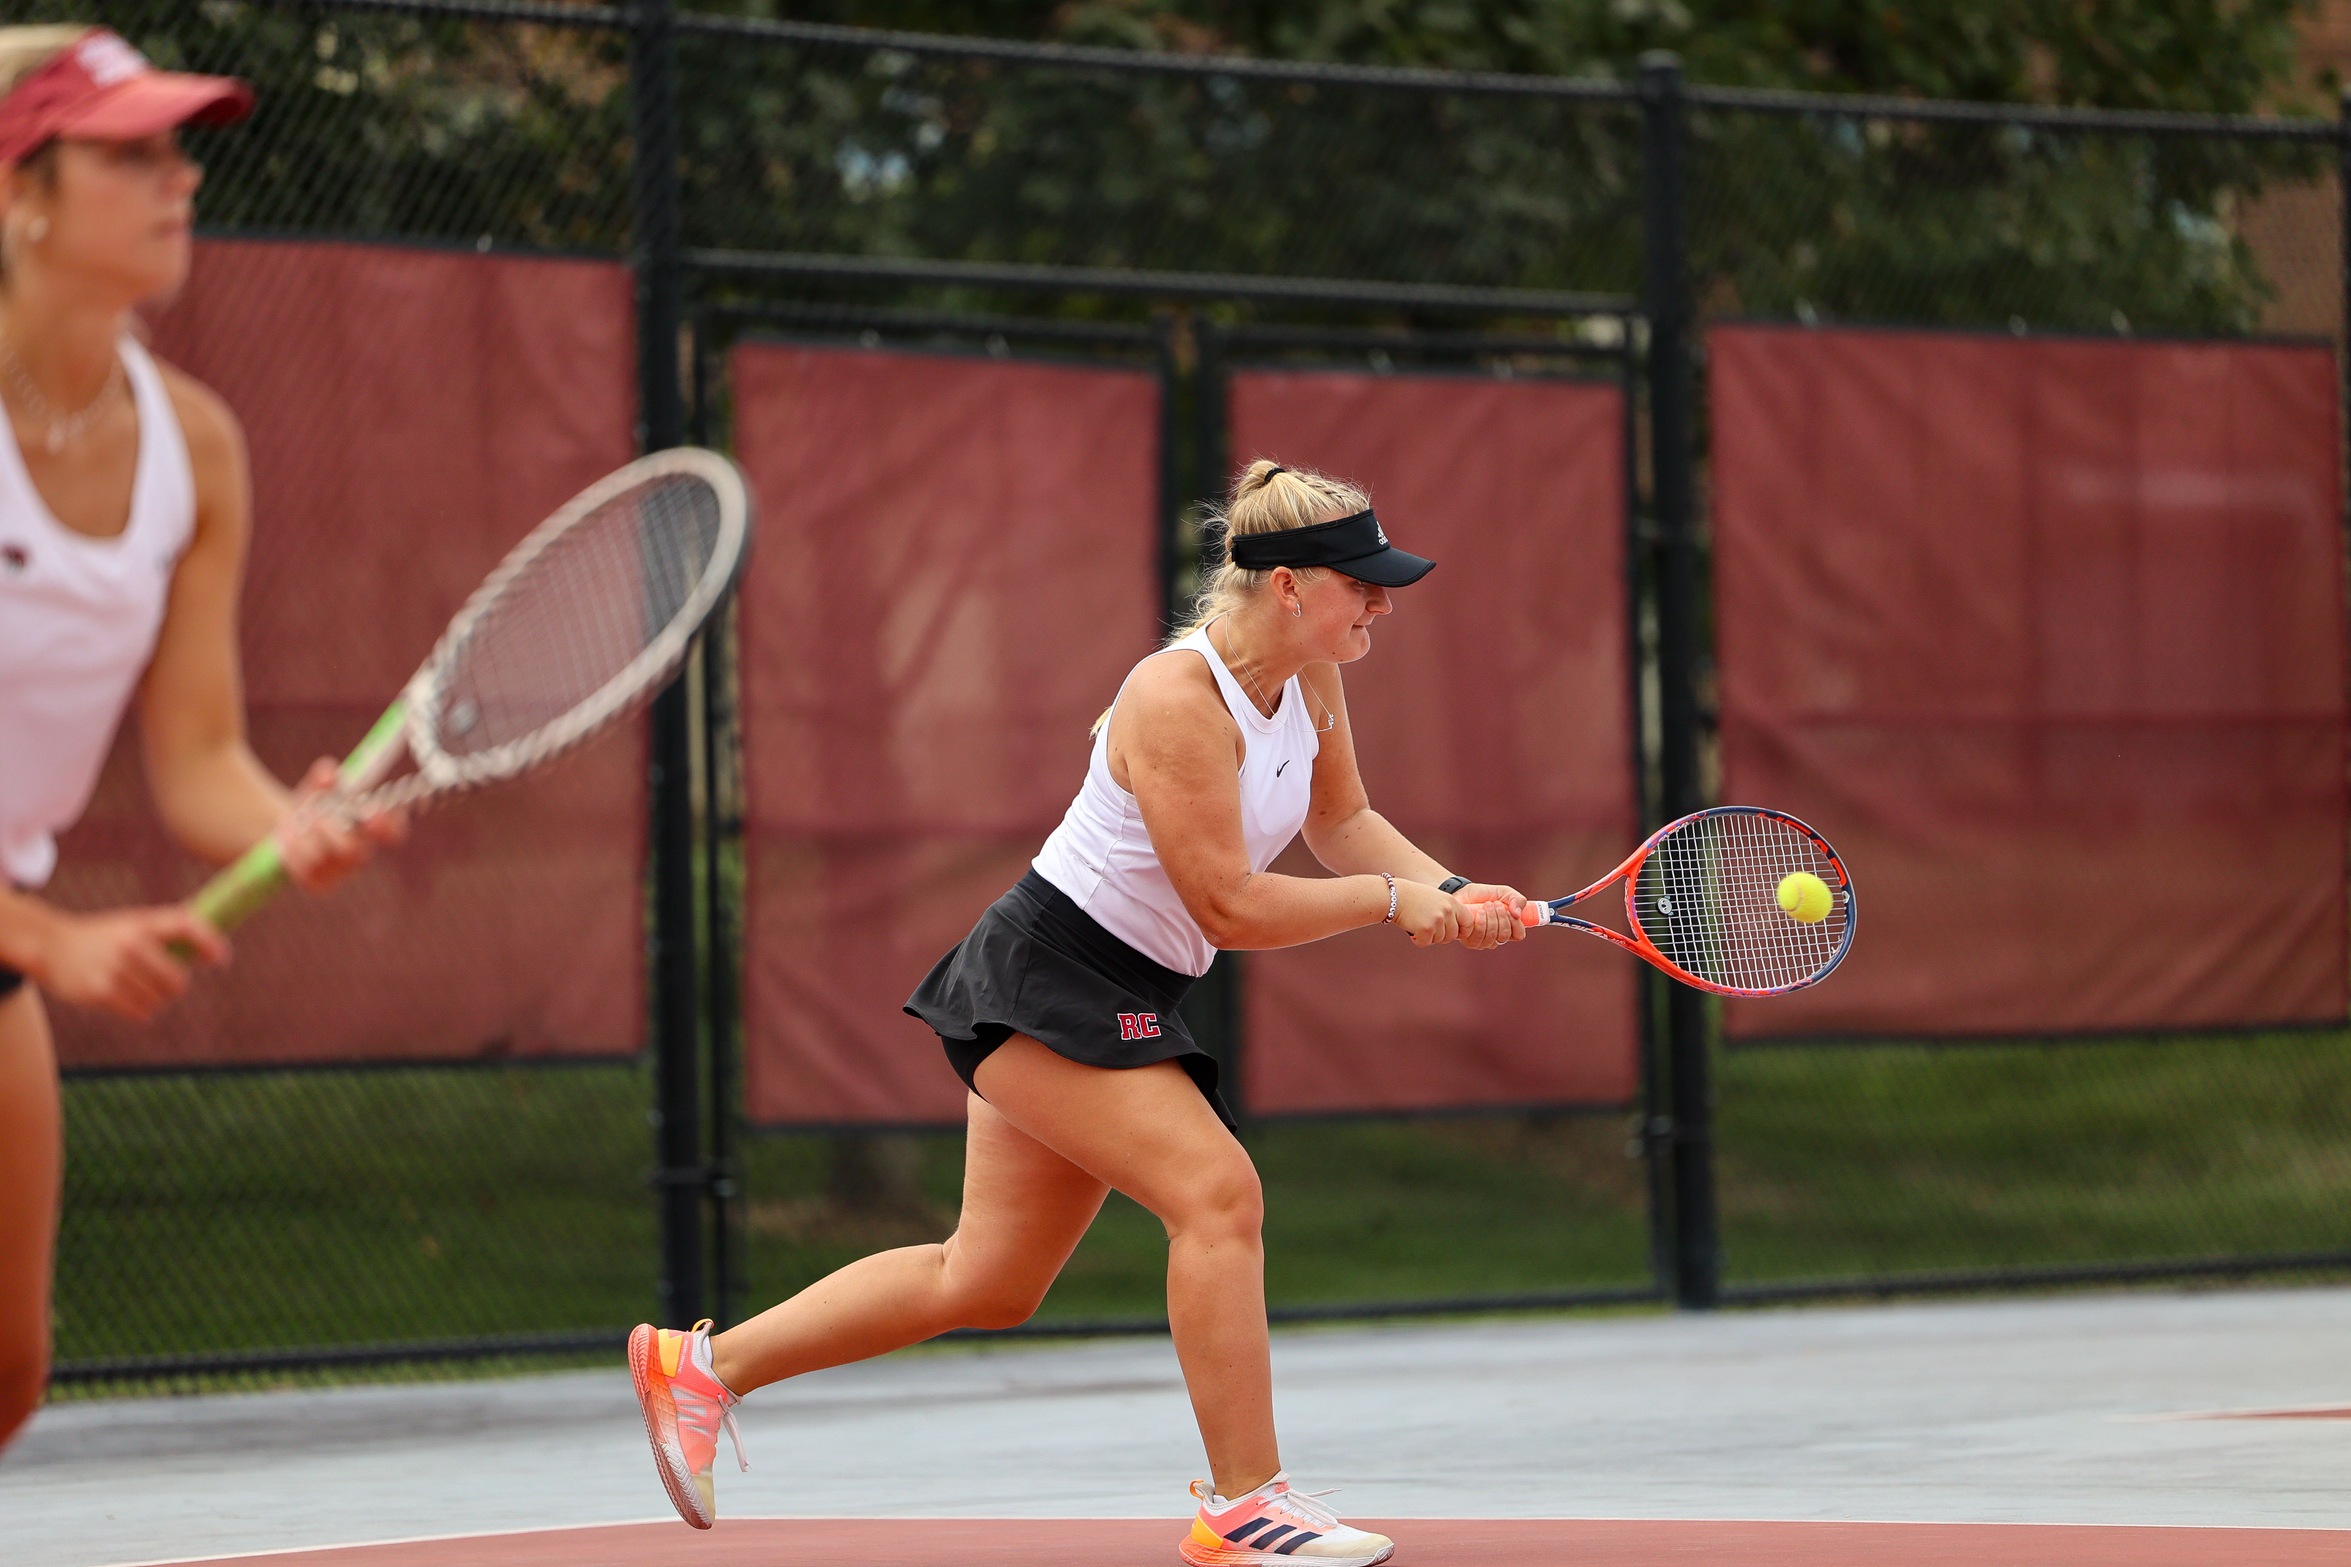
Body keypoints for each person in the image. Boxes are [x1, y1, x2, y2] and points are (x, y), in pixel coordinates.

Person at [629, 459, 1528, 1566]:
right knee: (1217, 1194)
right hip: (1047, 975)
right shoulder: (1174, 698)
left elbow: (1341, 822)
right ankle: (1245, 1504)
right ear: (1289, 586)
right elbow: (1227, 904)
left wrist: (1452, 891)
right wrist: (1391, 904)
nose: (1381, 603)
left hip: (1120, 986)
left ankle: (698, 1371)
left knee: (986, 1278)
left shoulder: (1310, 679)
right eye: (1361, 584)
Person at [0, 26, 399, 1452]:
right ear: (19, 192)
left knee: (8, 1367)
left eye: (178, 149)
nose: (179, 180)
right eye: (128, 154)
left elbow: (197, 759)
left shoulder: (196, 443)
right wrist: (55, 942)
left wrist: (293, 828)